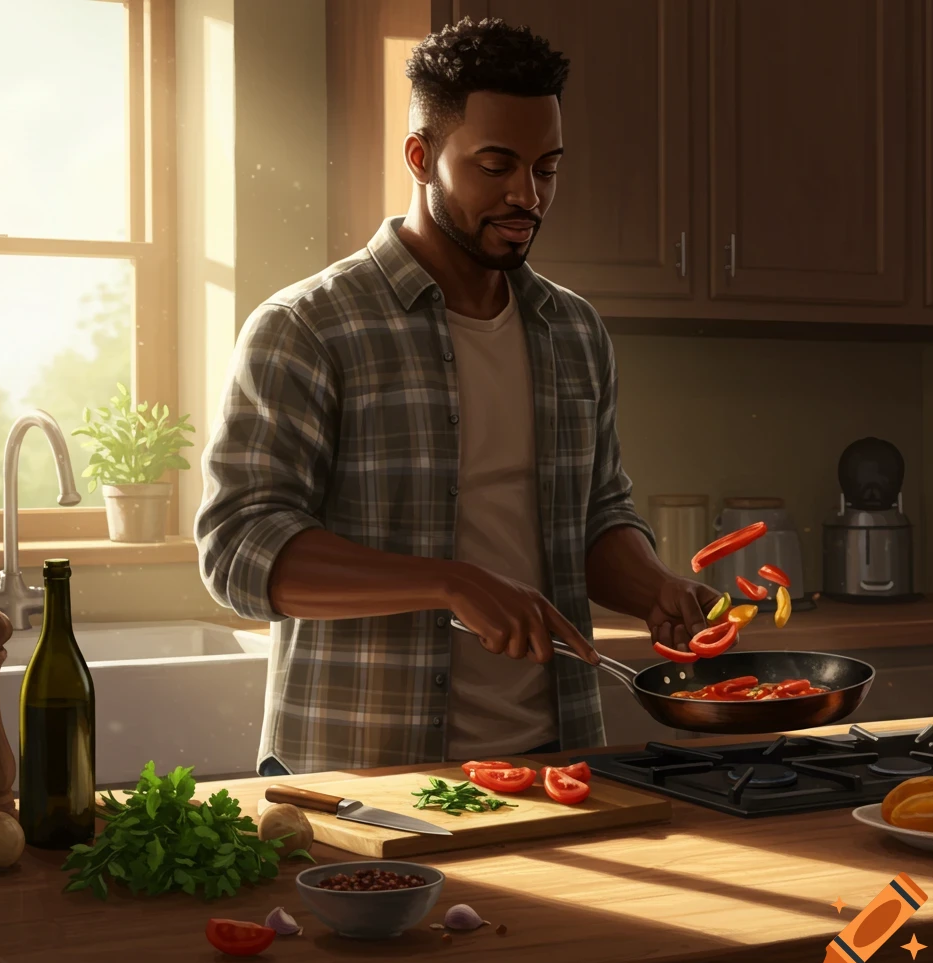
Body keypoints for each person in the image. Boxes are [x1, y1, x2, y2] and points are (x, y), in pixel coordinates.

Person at [195, 17, 723, 776]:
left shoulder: (573, 331)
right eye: (496, 164)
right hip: (365, 771)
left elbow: (596, 514)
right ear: (420, 156)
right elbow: (239, 551)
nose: (527, 194)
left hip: (557, 758)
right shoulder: (308, 327)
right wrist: (449, 582)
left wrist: (655, 588)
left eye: (547, 168)